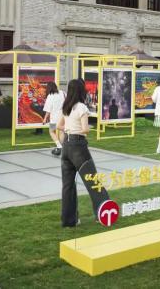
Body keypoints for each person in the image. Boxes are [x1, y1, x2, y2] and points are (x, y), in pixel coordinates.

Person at [57, 79, 110, 227]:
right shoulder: (82, 107)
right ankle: (104, 214)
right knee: (93, 182)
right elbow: (85, 130)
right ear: (81, 91)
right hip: (78, 147)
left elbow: (59, 126)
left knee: (68, 186)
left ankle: (69, 220)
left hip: (66, 147)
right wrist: (81, 129)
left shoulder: (66, 106)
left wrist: (69, 129)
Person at [43, 81, 66, 156]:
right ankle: (61, 147)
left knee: (51, 131)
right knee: (61, 131)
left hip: (54, 118)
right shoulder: (62, 93)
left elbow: (48, 109)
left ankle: (59, 146)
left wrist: (45, 118)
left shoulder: (50, 96)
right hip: (63, 116)